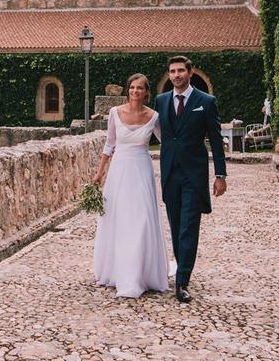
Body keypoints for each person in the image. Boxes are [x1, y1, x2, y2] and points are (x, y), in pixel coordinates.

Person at [153, 55, 227, 303]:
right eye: (172, 71)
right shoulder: (161, 101)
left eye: (181, 71)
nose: (176, 75)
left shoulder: (206, 101)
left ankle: (182, 280)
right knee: (175, 226)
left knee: (188, 227)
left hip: (194, 175)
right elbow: (155, 131)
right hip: (170, 174)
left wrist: (220, 175)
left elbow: (216, 140)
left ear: (190, 72)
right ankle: (182, 266)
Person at [91, 73, 169, 298]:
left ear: (147, 92)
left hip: (142, 171)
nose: (135, 91)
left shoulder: (154, 116)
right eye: (132, 87)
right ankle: (119, 270)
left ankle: (140, 273)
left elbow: (167, 142)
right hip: (119, 172)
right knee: (119, 219)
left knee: (142, 220)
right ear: (128, 90)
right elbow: (109, 144)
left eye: (140, 88)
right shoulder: (115, 113)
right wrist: (99, 174)